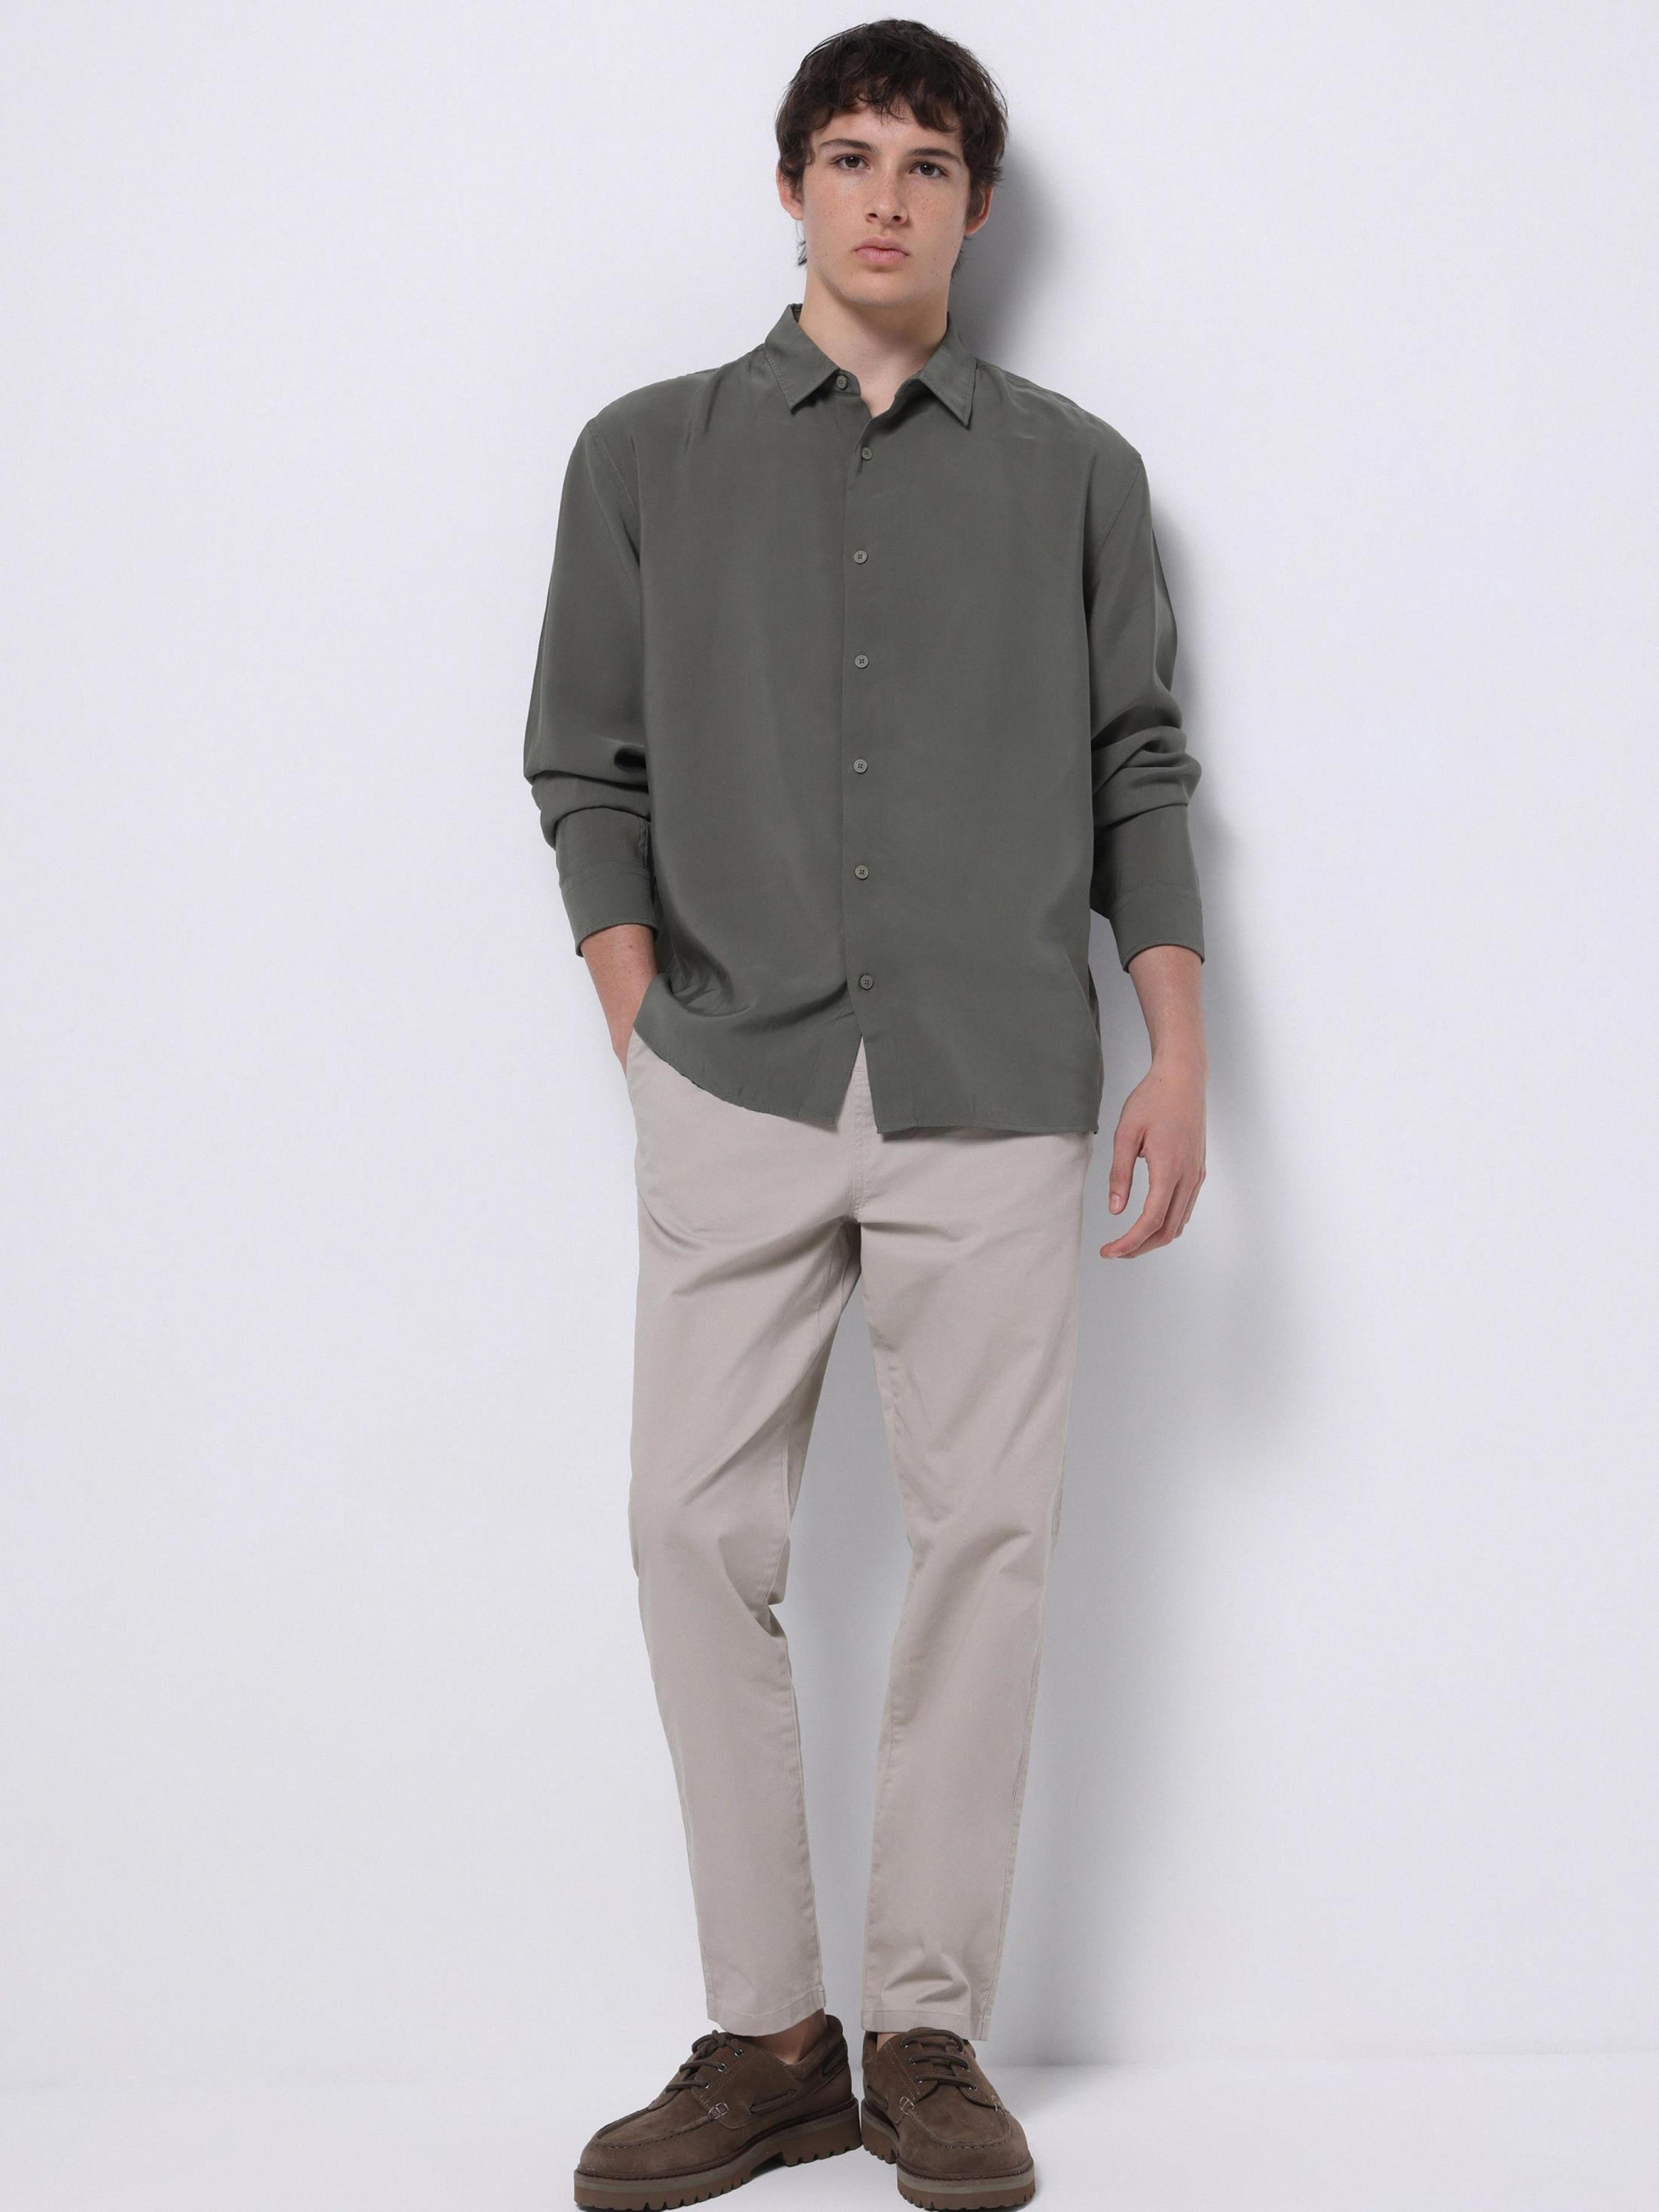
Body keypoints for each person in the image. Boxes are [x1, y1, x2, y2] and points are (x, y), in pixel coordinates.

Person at [524, 20, 1208, 2208]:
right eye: (847, 156)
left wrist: (1174, 1044)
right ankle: (767, 2036)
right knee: (686, 1532)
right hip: (730, 1068)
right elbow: (585, 764)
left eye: (925, 162)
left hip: (992, 1078)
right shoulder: (644, 453)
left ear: (974, 208)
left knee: (984, 1540)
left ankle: (922, 2033)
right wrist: (642, 1024)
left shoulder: (1077, 473)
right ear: (792, 190)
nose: (885, 195)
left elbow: (1136, 765)